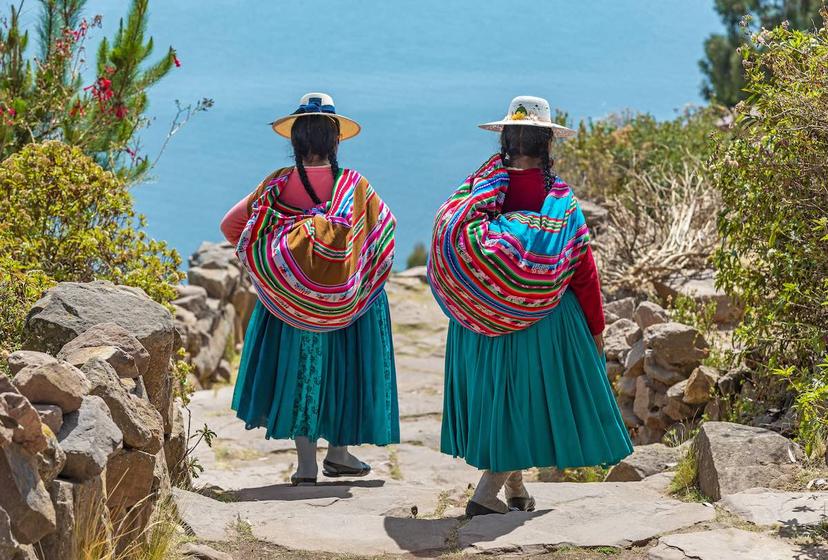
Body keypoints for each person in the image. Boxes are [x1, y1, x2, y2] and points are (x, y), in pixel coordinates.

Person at [429, 96, 633, 517]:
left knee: (501, 400)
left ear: (506, 139)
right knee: (524, 401)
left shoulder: (479, 187)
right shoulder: (558, 199)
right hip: (542, 320)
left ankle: (516, 486)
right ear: (547, 144)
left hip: (481, 321)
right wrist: (596, 328)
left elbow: (450, 234)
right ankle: (486, 493)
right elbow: (583, 270)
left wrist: (476, 298)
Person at [221, 92, 399, 485]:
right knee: (343, 369)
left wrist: (276, 266)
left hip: (290, 306)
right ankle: (339, 453)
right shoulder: (355, 186)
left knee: (301, 371)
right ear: (336, 141)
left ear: (295, 142)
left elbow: (232, 226)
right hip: (348, 306)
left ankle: (306, 466)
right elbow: (384, 233)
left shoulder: (276, 186)